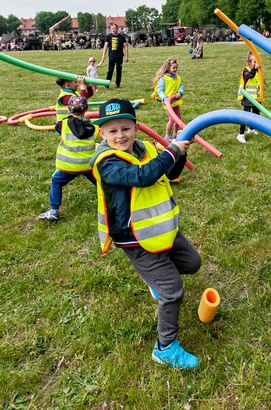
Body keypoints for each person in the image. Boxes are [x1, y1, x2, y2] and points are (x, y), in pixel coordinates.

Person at [90, 98, 199, 369]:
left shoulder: (147, 148)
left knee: (192, 263)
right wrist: (170, 151)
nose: (120, 136)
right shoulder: (107, 162)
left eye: (125, 128)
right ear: (102, 133)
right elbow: (142, 176)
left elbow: (169, 172)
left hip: (162, 230)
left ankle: (155, 279)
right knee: (172, 292)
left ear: (136, 128)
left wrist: (179, 153)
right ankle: (165, 348)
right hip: (134, 237)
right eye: (112, 131)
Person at [37, 96, 96, 222]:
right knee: (101, 182)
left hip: (69, 165)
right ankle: (116, 201)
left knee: (56, 182)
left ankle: (54, 210)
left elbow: (59, 131)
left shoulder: (62, 125)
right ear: (86, 109)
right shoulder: (93, 125)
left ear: (69, 110)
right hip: (88, 164)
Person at [153, 58, 184, 141]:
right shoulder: (163, 78)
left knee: (178, 118)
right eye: (173, 68)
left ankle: (175, 134)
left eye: (176, 67)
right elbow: (160, 90)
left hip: (175, 101)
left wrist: (180, 92)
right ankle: (167, 135)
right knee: (172, 119)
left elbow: (180, 85)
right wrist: (164, 97)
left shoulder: (177, 78)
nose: (175, 69)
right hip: (167, 102)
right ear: (168, 68)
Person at [236, 51, 262, 144]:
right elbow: (250, 76)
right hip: (247, 97)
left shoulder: (258, 71)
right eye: (254, 62)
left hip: (255, 98)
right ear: (249, 63)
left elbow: (259, 81)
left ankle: (251, 128)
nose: (256, 64)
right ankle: (241, 134)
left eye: (257, 61)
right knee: (246, 116)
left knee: (256, 114)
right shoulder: (246, 70)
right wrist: (254, 69)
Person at [97, 23, 129, 88]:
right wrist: (103, 55)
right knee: (110, 71)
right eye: (112, 28)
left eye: (114, 28)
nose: (113, 30)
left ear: (117, 28)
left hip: (120, 56)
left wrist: (126, 57)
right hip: (111, 56)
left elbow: (125, 47)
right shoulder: (108, 36)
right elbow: (105, 46)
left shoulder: (122, 37)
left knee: (119, 71)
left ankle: (118, 84)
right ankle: (107, 85)